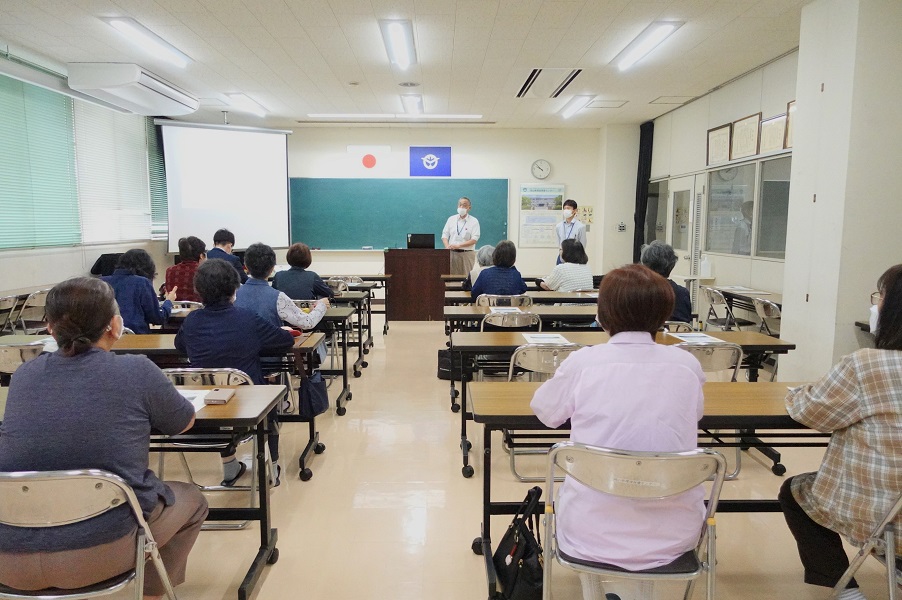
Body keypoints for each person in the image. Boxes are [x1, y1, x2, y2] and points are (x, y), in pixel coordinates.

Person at [0, 278, 207, 599]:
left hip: (9, 562)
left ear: (50, 329)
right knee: (191, 499)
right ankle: (151, 593)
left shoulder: (24, 375)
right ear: (114, 324)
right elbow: (183, 422)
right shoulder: (136, 371)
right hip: (97, 557)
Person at [530, 264, 706, 600]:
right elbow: (692, 416)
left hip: (590, 530)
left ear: (603, 313)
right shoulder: (686, 365)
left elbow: (546, 413)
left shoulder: (584, 363)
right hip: (674, 535)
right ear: (664, 313)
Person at [779, 264, 902, 600]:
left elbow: (810, 411)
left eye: (881, 296)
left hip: (881, 511)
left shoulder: (866, 365)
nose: (876, 304)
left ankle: (847, 592)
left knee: (796, 492)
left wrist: (798, 391)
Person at [175, 259, 295, 486]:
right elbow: (283, 340)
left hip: (201, 408)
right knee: (269, 403)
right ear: (234, 288)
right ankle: (273, 467)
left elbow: (180, 347)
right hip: (247, 408)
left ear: (199, 291)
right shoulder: (247, 319)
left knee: (218, 388)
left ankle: (230, 469)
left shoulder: (191, 321)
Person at [235, 242, 329, 330]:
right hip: (270, 346)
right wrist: (321, 305)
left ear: (246, 267)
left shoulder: (233, 295)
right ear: (272, 269)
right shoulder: (278, 298)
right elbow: (307, 322)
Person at [102, 249, 178, 334]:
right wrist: (169, 301)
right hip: (136, 337)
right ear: (147, 269)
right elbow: (158, 318)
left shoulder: (101, 282)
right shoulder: (142, 283)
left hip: (107, 338)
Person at [640, 240, 692, 323]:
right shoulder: (681, 292)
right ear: (672, 265)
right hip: (674, 334)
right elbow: (684, 324)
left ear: (645, 264)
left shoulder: (635, 290)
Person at [442, 197, 481, 275]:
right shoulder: (451, 219)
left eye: (464, 205)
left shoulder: (474, 221)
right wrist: (447, 246)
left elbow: (474, 239)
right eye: (460, 205)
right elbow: (444, 235)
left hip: (466, 254)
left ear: (469, 208)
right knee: (451, 278)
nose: (461, 207)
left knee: (466, 279)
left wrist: (458, 245)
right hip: (451, 254)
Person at [165, 236, 206, 302]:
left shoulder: (169, 270)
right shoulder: (203, 272)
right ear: (201, 256)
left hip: (174, 311)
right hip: (197, 310)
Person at [555, 199, 587, 265]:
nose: (566, 210)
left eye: (568, 208)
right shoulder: (559, 226)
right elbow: (558, 242)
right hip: (562, 257)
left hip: (575, 258)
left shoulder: (580, 227)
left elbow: (582, 244)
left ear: (575, 210)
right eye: (565, 208)